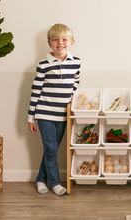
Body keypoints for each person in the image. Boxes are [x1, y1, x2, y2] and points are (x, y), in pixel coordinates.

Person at [28, 23, 81, 195]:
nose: (60, 43)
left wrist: (72, 102)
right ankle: (55, 182)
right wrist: (31, 117)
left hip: (63, 115)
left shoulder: (76, 62)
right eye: (55, 40)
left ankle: (40, 179)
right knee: (50, 149)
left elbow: (75, 84)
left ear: (71, 41)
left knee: (51, 149)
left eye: (64, 39)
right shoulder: (43, 64)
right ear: (49, 43)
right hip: (44, 114)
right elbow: (36, 91)